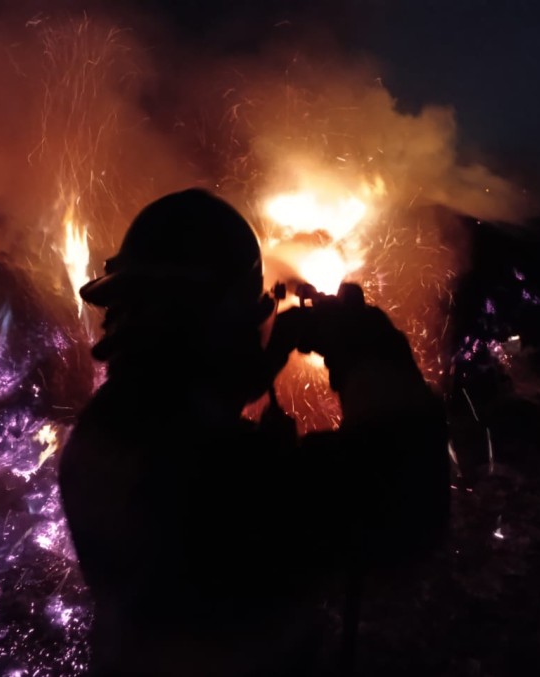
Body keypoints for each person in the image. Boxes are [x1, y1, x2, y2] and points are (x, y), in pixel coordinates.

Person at [58, 189, 449, 676]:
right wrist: (370, 351)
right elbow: (404, 507)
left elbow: (179, 393)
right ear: (227, 324)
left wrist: (246, 373)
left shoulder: (106, 429)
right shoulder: (229, 479)